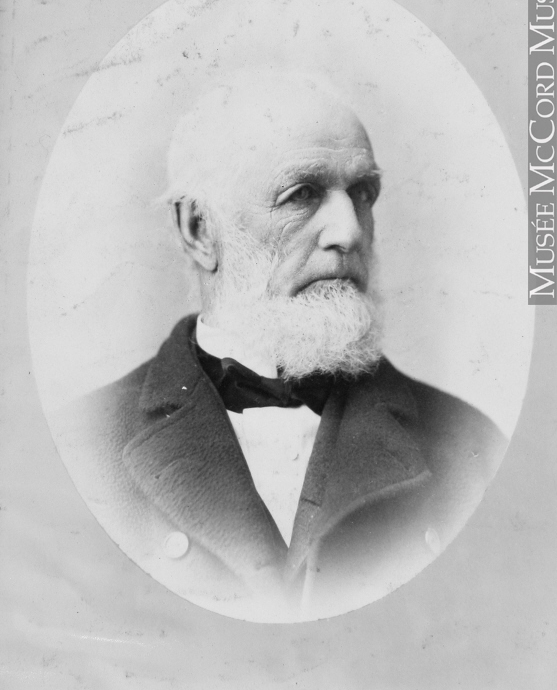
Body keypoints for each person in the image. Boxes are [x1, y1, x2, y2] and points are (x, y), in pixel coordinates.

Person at [56, 73, 507, 621]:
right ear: (199, 229)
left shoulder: (473, 448)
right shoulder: (79, 450)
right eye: (302, 194)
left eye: (362, 194)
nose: (349, 232)